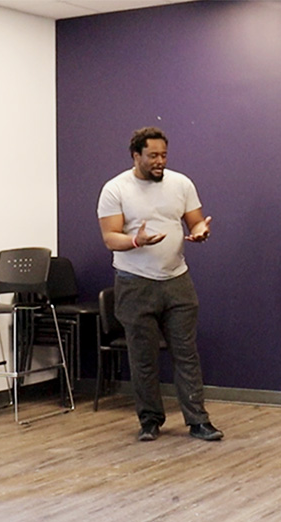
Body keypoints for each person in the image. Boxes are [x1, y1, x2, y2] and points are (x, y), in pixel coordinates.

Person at [97, 127, 223, 442]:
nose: (160, 161)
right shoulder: (115, 189)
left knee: (186, 354)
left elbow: (194, 219)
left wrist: (199, 230)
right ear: (135, 155)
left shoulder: (181, 184)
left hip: (177, 280)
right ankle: (150, 421)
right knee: (143, 357)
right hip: (134, 284)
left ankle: (198, 421)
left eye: (164, 155)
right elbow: (110, 237)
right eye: (152, 155)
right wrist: (135, 241)